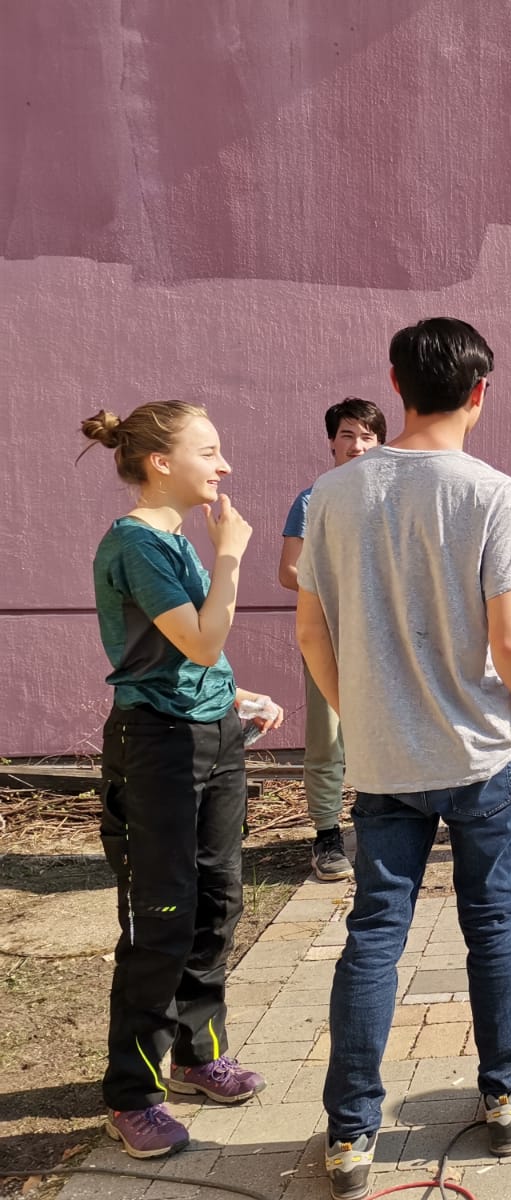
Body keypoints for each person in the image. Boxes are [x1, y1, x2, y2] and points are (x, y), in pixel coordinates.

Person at [296, 318, 511, 1200]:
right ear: (480, 393)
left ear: (395, 384)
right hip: (480, 752)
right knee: (493, 923)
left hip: (384, 763)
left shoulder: (332, 494)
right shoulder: (493, 493)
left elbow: (310, 631)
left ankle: (350, 1133)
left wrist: (359, 713)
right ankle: (504, 1094)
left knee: (375, 933)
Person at [81, 402, 283, 1158]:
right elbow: (199, 641)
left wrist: (236, 694)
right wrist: (230, 555)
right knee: (160, 917)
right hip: (158, 748)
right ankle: (132, 1095)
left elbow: (191, 657)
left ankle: (198, 1058)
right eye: (210, 451)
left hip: (212, 735)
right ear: (161, 462)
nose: (224, 465)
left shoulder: (170, 539)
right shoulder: (136, 543)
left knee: (217, 901)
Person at [278, 397, 388, 881]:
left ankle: (382, 824)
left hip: (383, 636)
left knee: (383, 730)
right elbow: (289, 570)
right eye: (347, 435)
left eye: (367, 436)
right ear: (331, 442)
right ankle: (327, 835)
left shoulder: (390, 498)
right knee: (327, 736)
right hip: (327, 633)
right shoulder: (312, 499)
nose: (357, 445)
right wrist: (344, 587)